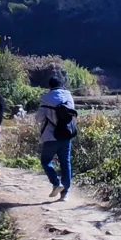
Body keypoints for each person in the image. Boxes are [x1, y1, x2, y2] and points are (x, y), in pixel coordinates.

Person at [37, 69, 76, 199]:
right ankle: (65, 193)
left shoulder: (45, 99)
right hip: (66, 134)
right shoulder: (69, 97)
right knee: (66, 162)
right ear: (62, 85)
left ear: (50, 86)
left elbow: (39, 119)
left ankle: (56, 182)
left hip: (51, 136)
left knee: (46, 161)